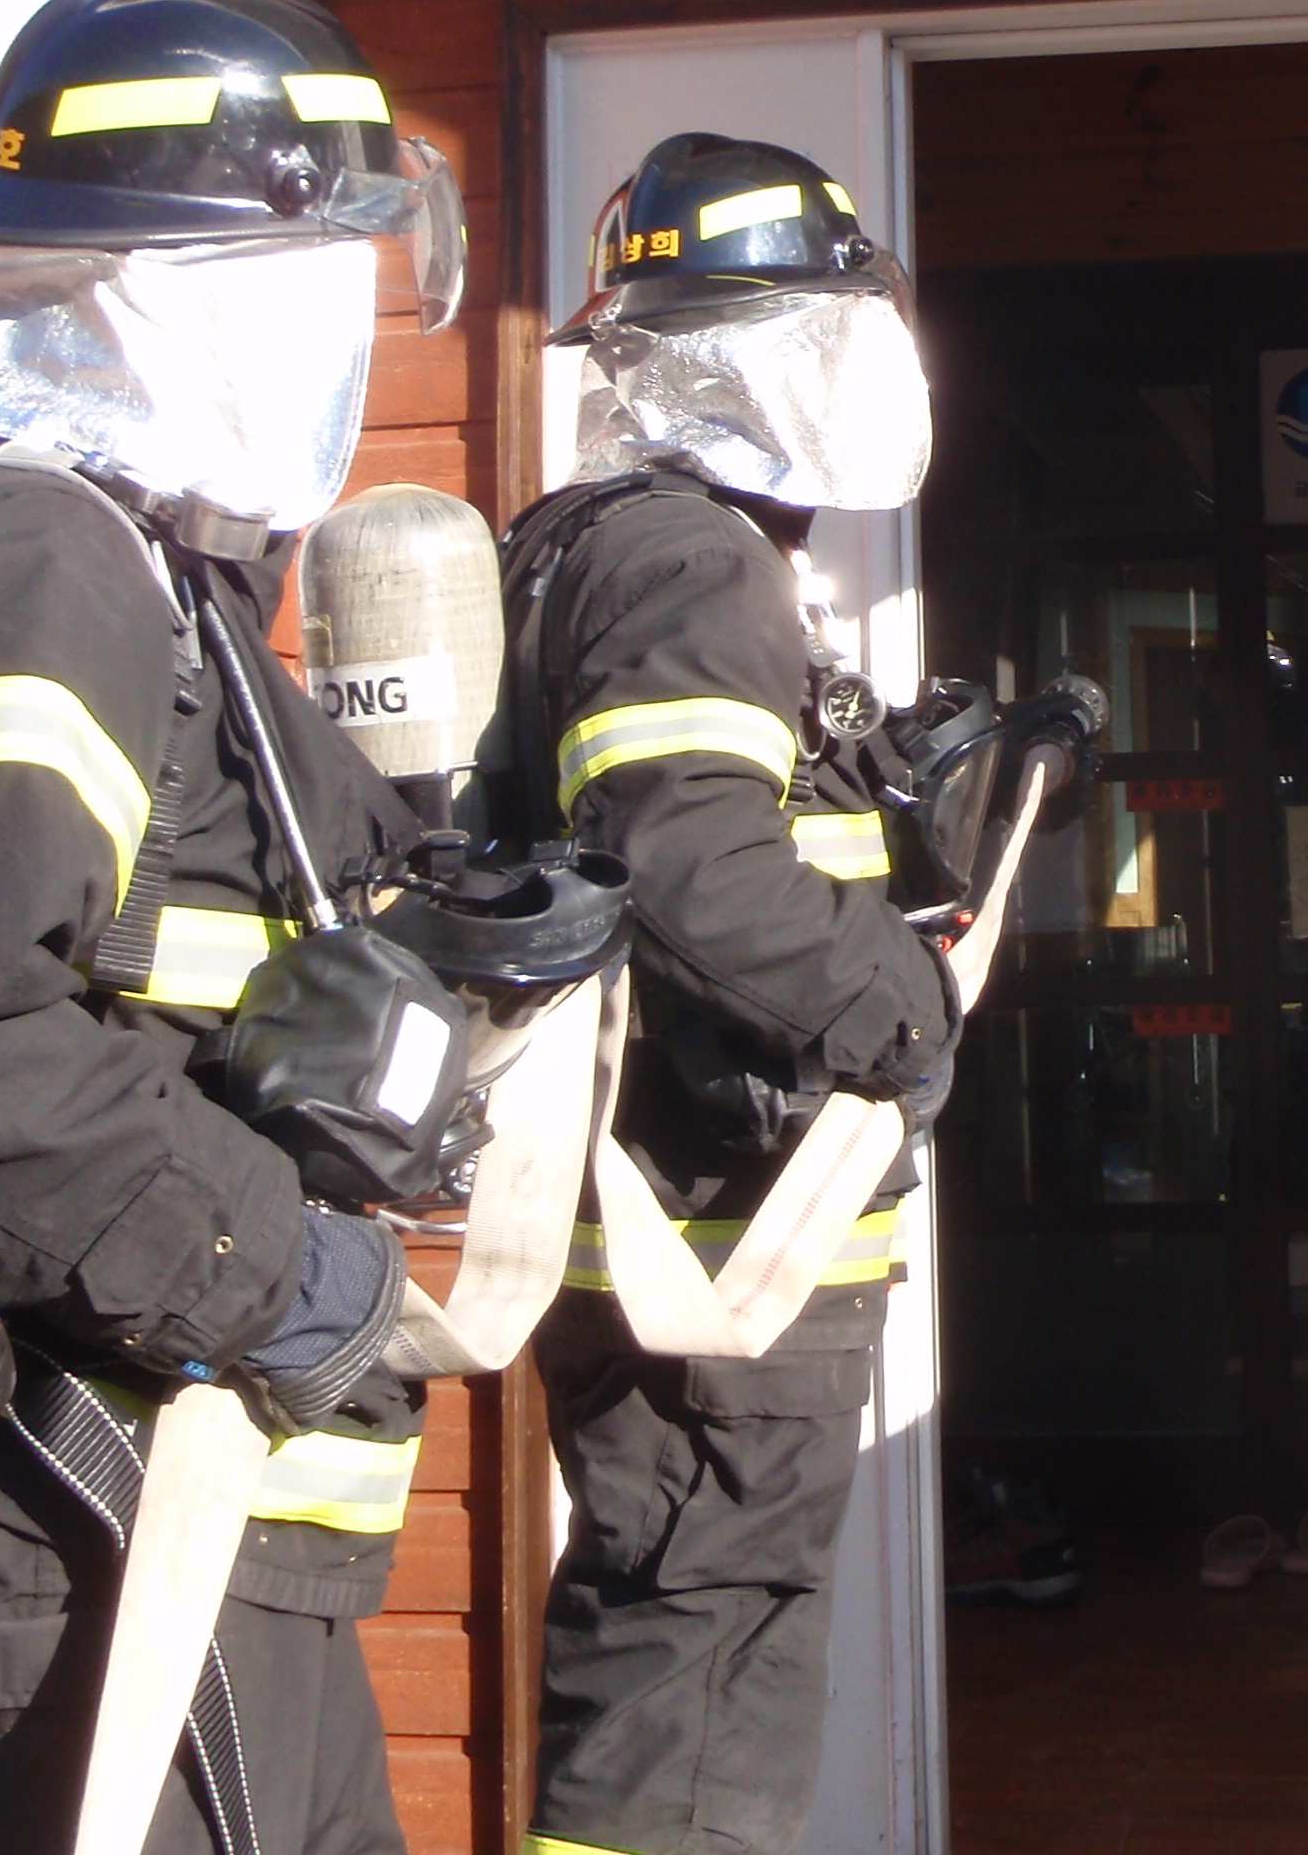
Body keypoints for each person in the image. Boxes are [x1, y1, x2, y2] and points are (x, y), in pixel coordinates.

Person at [0, 0, 473, 1855]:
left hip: (168, 1518)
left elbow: (233, 936)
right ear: (162, 286)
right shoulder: (18, 552)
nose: (345, 331)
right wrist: (274, 1272)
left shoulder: (154, 578)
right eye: (313, 276)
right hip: (58, 1523)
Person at [500, 135, 960, 1855]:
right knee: (697, 1681)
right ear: (768, 350)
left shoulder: (595, 543)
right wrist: (906, 1008)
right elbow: (689, 862)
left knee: (676, 1638)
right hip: (717, 1232)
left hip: (671, 1218)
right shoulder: (691, 558)